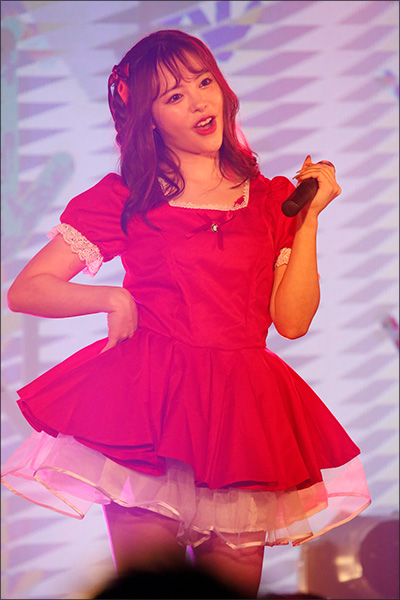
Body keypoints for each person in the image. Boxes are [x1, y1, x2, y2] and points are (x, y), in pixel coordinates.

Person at [2, 29, 371, 598]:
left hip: (241, 414)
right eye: (175, 95)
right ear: (148, 120)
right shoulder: (128, 196)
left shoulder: (270, 200)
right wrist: (111, 297)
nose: (200, 102)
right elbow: (28, 289)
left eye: (204, 82)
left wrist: (309, 220)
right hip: (149, 407)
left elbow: (293, 323)